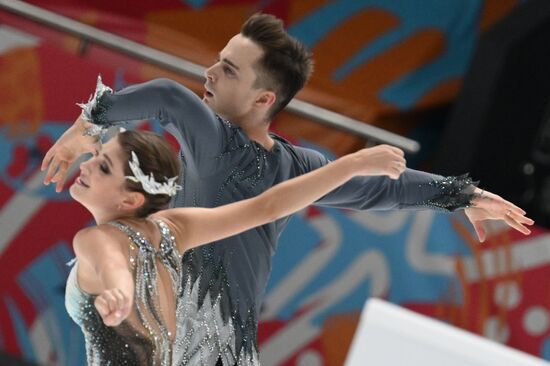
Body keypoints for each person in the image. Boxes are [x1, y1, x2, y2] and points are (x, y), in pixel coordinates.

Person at [43, 13, 532, 365]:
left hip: (224, 346)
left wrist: (462, 195)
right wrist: (87, 127)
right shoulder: (255, 153)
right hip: (180, 335)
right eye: (218, 60)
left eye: (229, 69)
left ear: (263, 99)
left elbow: (381, 188)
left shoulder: (286, 161)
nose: (209, 73)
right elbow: (170, 98)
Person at [66, 128, 409, 364]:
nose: (86, 165)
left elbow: (113, 264)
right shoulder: (172, 228)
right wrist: (353, 164)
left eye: (103, 166)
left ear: (131, 199)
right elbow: (267, 207)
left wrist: (120, 294)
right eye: (98, 157)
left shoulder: (96, 239)